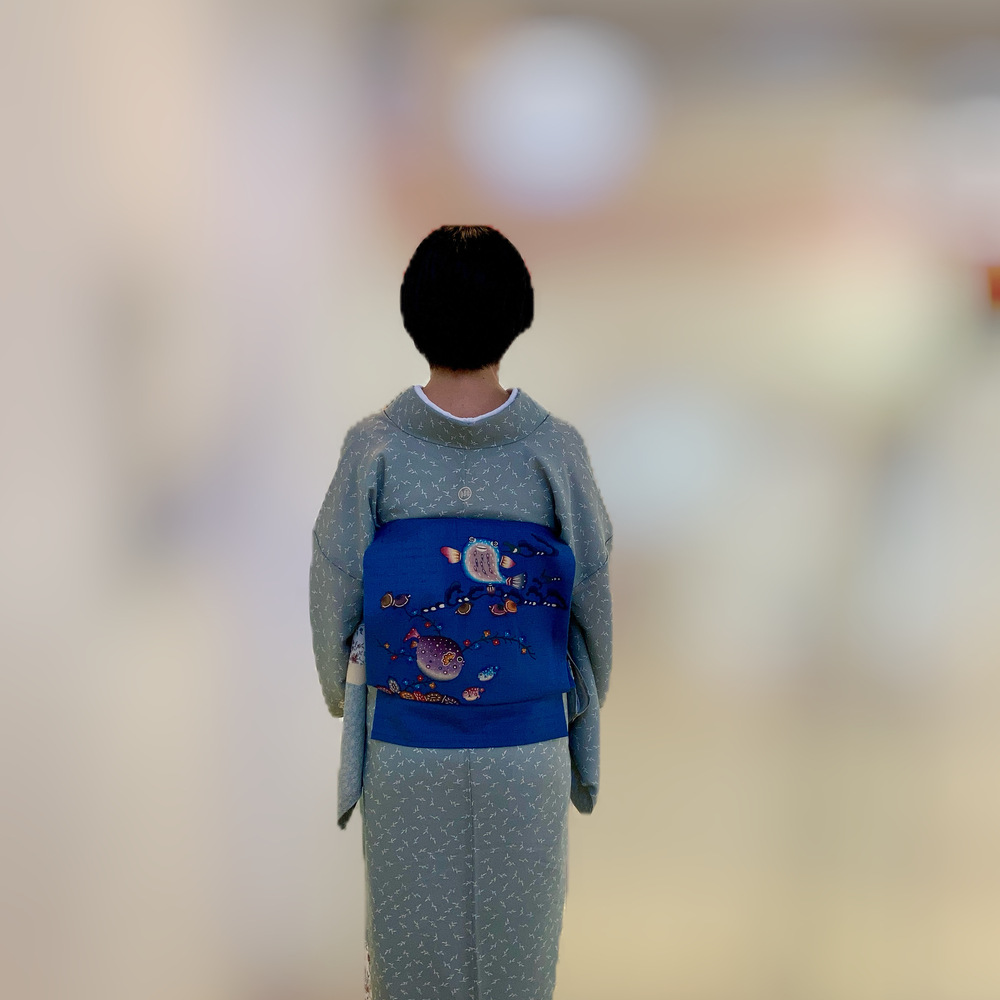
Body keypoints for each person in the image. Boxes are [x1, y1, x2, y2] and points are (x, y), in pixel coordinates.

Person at [309, 225, 613, 1000]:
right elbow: (590, 595)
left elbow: (335, 583)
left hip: (409, 746)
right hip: (526, 746)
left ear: (413, 315)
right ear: (518, 314)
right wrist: (585, 695)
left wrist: (347, 689)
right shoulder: (555, 450)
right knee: (517, 963)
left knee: (411, 960)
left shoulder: (375, 449)